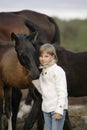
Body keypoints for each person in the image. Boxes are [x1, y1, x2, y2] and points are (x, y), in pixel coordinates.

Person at [32, 43, 68, 130]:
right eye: (41, 56)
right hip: (46, 109)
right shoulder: (43, 71)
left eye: (46, 56)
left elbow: (62, 92)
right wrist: (35, 81)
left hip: (57, 109)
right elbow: (44, 91)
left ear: (52, 56)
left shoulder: (58, 71)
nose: (42, 59)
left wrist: (59, 110)